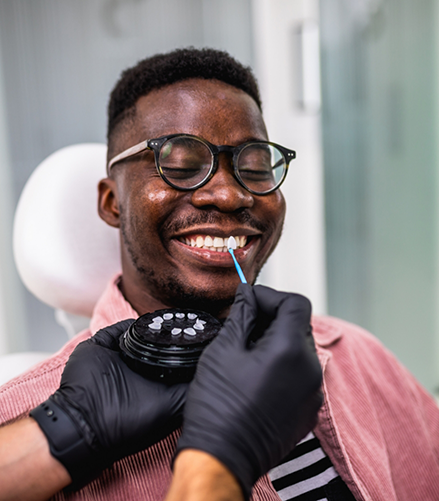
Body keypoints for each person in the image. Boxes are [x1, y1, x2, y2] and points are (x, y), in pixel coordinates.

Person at [0, 47, 438, 501]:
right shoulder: (21, 422)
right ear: (112, 203)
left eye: (255, 167)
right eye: (182, 166)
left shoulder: (358, 357)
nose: (230, 195)